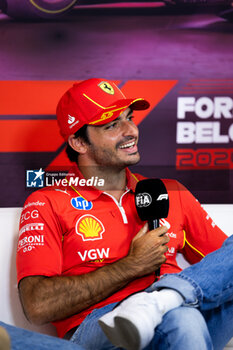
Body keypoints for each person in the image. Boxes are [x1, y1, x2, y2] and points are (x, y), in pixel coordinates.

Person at [16, 78, 232, 350]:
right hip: (100, 327)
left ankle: (161, 299)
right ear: (78, 142)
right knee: (182, 317)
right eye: (112, 125)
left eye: (129, 118)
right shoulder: (48, 201)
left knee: (183, 312)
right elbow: (37, 305)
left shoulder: (171, 192)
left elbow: (224, 267)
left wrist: (172, 294)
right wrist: (131, 266)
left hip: (184, 312)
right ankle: (162, 303)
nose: (131, 130)